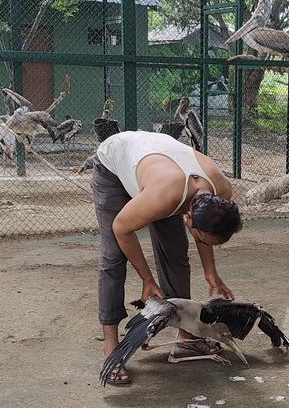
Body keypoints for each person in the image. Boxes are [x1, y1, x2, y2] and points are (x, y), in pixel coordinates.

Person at [86, 130, 242, 385]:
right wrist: (147, 279)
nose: (202, 243)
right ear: (188, 217)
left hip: (160, 170)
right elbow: (121, 228)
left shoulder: (221, 190)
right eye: (200, 238)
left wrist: (210, 272)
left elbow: (205, 232)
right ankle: (111, 348)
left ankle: (187, 338)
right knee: (114, 257)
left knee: (176, 256)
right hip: (114, 165)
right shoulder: (164, 196)